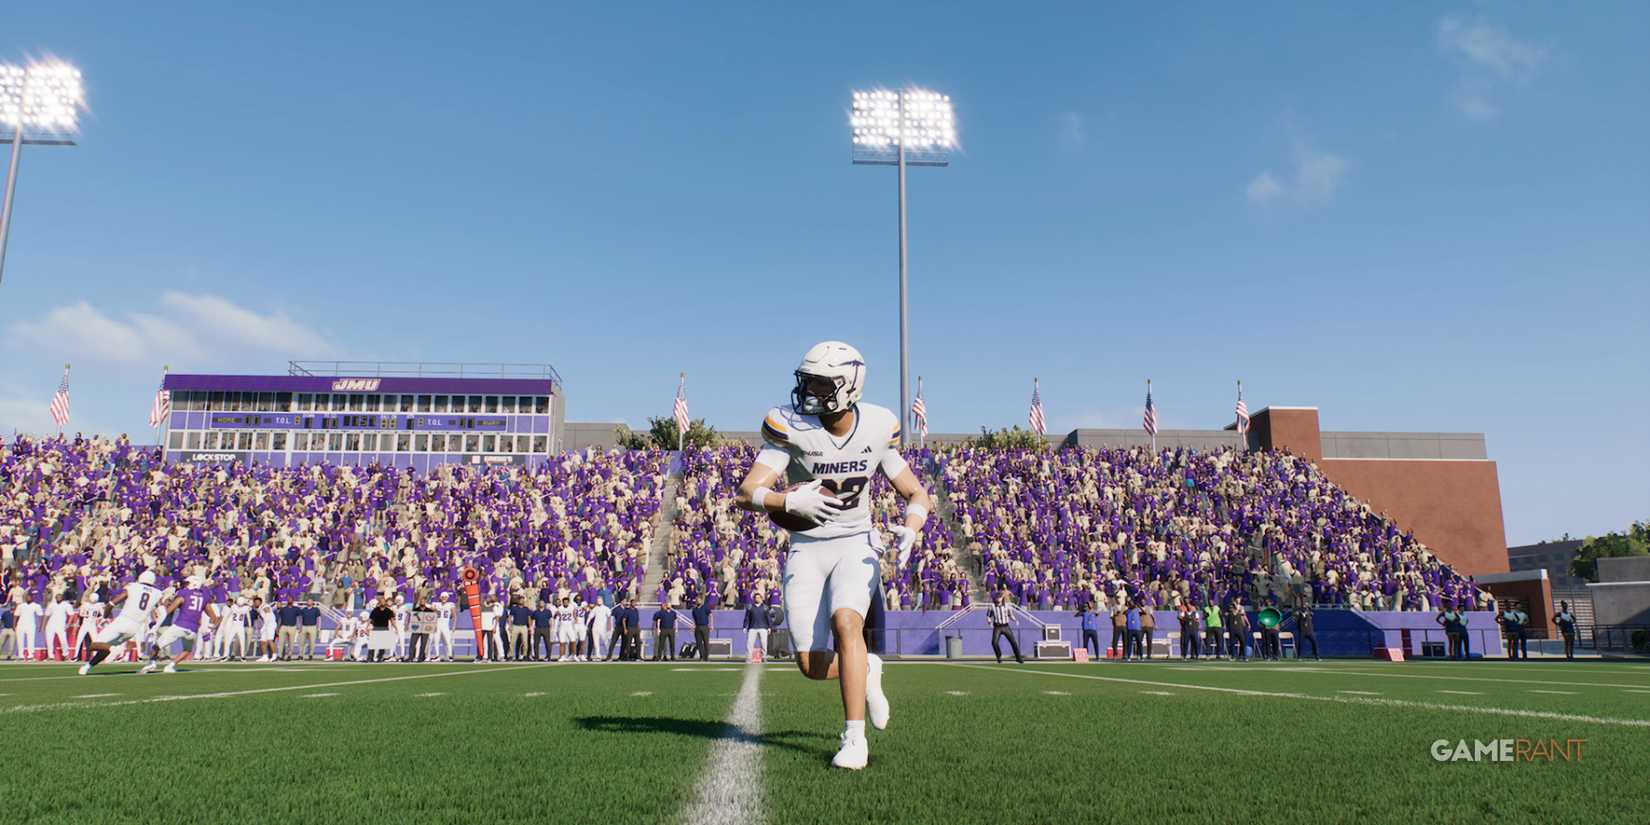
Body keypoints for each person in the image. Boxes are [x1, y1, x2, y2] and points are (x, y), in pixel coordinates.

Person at [734, 341, 933, 770]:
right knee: (809, 663)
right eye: (806, 381)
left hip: (855, 541)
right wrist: (787, 503)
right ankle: (868, 668)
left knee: (848, 621)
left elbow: (917, 492)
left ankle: (854, 739)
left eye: (820, 384)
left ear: (849, 386)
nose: (808, 391)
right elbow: (747, 492)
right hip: (807, 546)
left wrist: (912, 528)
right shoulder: (792, 426)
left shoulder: (878, 426)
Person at [80, 570, 164, 675]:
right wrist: (155, 627)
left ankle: (114, 649)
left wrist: (105, 615)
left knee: (94, 645)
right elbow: (163, 613)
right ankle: (88, 666)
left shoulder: (133, 586)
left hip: (123, 620)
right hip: (135, 627)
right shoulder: (157, 593)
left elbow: (112, 603)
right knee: (105, 648)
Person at [141, 575, 218, 674]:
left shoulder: (184, 593)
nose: (185, 585)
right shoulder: (204, 597)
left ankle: (152, 663)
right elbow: (214, 618)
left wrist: (156, 622)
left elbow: (169, 610)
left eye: (187, 583)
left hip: (180, 625)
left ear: (193, 584)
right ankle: (171, 665)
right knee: (187, 650)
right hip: (193, 630)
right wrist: (209, 629)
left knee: (157, 646)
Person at [988, 591, 1024, 664]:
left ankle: (1018, 658)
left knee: (1013, 642)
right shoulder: (992, 606)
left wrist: (1015, 620)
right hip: (997, 626)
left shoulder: (1006, 606)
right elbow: (988, 616)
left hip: (1006, 626)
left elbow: (1010, 615)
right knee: (994, 642)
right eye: (997, 597)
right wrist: (989, 621)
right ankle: (999, 657)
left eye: (999, 597)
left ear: (1002, 598)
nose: (998, 599)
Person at [43, 593, 73, 661]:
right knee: (49, 641)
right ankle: (50, 656)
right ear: (55, 598)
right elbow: (46, 615)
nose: (58, 598)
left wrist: (68, 624)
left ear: (62, 598)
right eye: (57, 597)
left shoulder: (66, 605)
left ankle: (66, 656)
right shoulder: (51, 605)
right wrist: (43, 626)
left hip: (61, 625)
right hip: (50, 625)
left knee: (63, 641)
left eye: (60, 597)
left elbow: (71, 615)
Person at [368, 597, 396, 663]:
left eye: (384, 601)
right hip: (376, 628)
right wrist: (367, 627)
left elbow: (392, 621)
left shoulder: (389, 611)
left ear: (385, 602)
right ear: (379, 602)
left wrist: (395, 628)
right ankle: (370, 658)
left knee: (382, 645)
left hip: (384, 628)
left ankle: (380, 658)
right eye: (381, 601)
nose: (382, 603)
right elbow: (370, 619)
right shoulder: (375, 610)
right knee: (373, 645)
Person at [15, 591, 41, 661]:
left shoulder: (36, 606)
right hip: (20, 625)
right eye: (27, 597)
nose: (28, 598)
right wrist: (14, 625)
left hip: (31, 625)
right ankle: (21, 656)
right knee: (20, 641)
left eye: (29, 597)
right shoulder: (20, 606)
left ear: (32, 597)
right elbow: (16, 616)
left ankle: (30, 656)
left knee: (31, 640)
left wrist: (40, 626)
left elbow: (40, 616)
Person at [433, 592, 457, 662]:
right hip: (437, 625)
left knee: (448, 641)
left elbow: (454, 616)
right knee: (436, 641)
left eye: (445, 597)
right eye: (442, 597)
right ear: (440, 597)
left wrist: (454, 626)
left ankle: (450, 656)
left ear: (447, 598)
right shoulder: (436, 604)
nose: (444, 598)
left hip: (445, 625)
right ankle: (437, 656)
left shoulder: (450, 604)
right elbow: (432, 609)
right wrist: (434, 609)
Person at [587, 597, 612, 661]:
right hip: (595, 628)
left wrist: (609, 626)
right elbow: (590, 617)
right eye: (598, 601)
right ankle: (598, 655)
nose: (599, 602)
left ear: (602, 601)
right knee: (596, 643)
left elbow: (609, 617)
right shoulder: (595, 609)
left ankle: (609, 655)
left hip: (603, 628)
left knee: (606, 641)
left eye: (600, 600)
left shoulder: (606, 608)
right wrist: (586, 625)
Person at [690, 595, 712, 661]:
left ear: (702, 601)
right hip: (697, 627)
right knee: (699, 643)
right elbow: (694, 619)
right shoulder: (694, 610)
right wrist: (693, 626)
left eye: (699, 600)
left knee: (706, 642)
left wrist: (711, 624)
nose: (698, 601)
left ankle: (706, 657)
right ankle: (701, 656)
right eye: (697, 600)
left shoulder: (705, 607)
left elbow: (711, 615)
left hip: (705, 626)